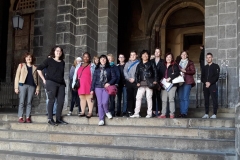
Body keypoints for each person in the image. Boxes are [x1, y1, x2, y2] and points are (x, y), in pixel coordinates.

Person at [37, 46, 68, 126]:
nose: (59, 52)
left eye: (60, 51)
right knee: (51, 100)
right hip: (51, 82)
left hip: (61, 83)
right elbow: (39, 68)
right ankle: (50, 119)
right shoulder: (49, 60)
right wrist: (44, 80)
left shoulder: (62, 62)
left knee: (61, 101)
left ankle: (58, 119)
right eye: (57, 50)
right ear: (54, 52)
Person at [130, 50, 158, 118]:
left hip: (150, 82)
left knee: (149, 97)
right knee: (138, 97)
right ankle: (136, 113)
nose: (145, 56)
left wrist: (155, 80)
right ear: (141, 56)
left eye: (146, 54)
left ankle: (149, 113)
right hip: (142, 82)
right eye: (143, 54)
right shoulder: (139, 64)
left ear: (148, 56)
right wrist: (137, 82)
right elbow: (136, 74)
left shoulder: (151, 63)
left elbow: (155, 72)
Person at [90, 55, 117, 126]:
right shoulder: (96, 69)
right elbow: (93, 80)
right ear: (99, 60)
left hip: (106, 88)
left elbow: (114, 78)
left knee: (105, 102)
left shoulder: (110, 68)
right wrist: (92, 89)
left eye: (104, 59)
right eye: (101, 59)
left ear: (106, 60)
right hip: (98, 87)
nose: (103, 60)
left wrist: (109, 83)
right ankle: (101, 119)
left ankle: (107, 111)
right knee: (99, 103)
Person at [14, 53, 40, 123]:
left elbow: (37, 79)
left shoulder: (35, 67)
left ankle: (28, 117)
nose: (29, 58)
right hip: (22, 85)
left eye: (30, 57)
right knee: (22, 101)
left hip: (32, 86)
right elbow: (17, 77)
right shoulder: (21, 65)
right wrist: (16, 87)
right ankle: (20, 117)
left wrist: (37, 89)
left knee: (29, 102)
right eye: (27, 57)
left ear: (32, 59)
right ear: (25, 59)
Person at [72, 52, 94, 118]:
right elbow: (75, 75)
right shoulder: (79, 65)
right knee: (82, 98)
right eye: (84, 56)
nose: (86, 58)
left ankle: (90, 112)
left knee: (89, 98)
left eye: (87, 57)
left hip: (89, 84)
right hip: (80, 85)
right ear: (82, 57)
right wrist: (73, 84)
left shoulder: (92, 65)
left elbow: (95, 76)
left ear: (89, 57)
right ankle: (82, 111)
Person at [159, 52, 180, 119]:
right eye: (167, 57)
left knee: (171, 99)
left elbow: (177, 73)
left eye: (170, 57)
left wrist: (170, 77)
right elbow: (159, 73)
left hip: (172, 85)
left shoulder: (174, 65)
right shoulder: (162, 65)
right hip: (164, 85)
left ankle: (172, 114)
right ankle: (163, 114)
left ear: (172, 58)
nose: (168, 58)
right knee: (164, 100)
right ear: (165, 58)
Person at [177, 51, 196, 118]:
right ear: (180, 55)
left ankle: (184, 112)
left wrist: (186, 71)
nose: (184, 55)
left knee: (185, 97)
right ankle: (181, 112)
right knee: (180, 98)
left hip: (187, 81)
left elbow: (193, 71)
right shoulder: (177, 63)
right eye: (182, 54)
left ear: (187, 55)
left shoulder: (190, 62)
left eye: (185, 54)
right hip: (179, 81)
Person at [201, 53, 220, 119]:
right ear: (206, 58)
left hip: (212, 85)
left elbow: (216, 76)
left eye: (210, 57)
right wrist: (205, 82)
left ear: (212, 58)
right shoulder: (204, 67)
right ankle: (206, 113)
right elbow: (202, 77)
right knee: (206, 100)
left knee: (214, 99)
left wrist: (210, 82)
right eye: (207, 57)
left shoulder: (216, 66)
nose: (208, 58)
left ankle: (214, 114)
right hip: (205, 85)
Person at [123, 51, 139, 116]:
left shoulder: (139, 63)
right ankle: (130, 111)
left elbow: (139, 72)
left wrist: (135, 79)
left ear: (136, 55)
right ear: (130, 56)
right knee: (129, 97)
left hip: (136, 82)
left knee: (136, 97)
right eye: (131, 55)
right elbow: (125, 71)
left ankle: (136, 111)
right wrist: (129, 78)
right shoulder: (127, 64)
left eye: (134, 55)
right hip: (129, 82)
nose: (132, 56)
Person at [151, 47, 164, 117]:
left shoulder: (163, 61)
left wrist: (159, 82)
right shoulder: (151, 61)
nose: (157, 53)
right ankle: (153, 111)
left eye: (158, 52)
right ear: (154, 53)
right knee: (152, 96)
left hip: (159, 81)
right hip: (152, 81)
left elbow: (163, 72)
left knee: (159, 96)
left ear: (160, 53)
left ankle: (159, 110)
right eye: (156, 52)